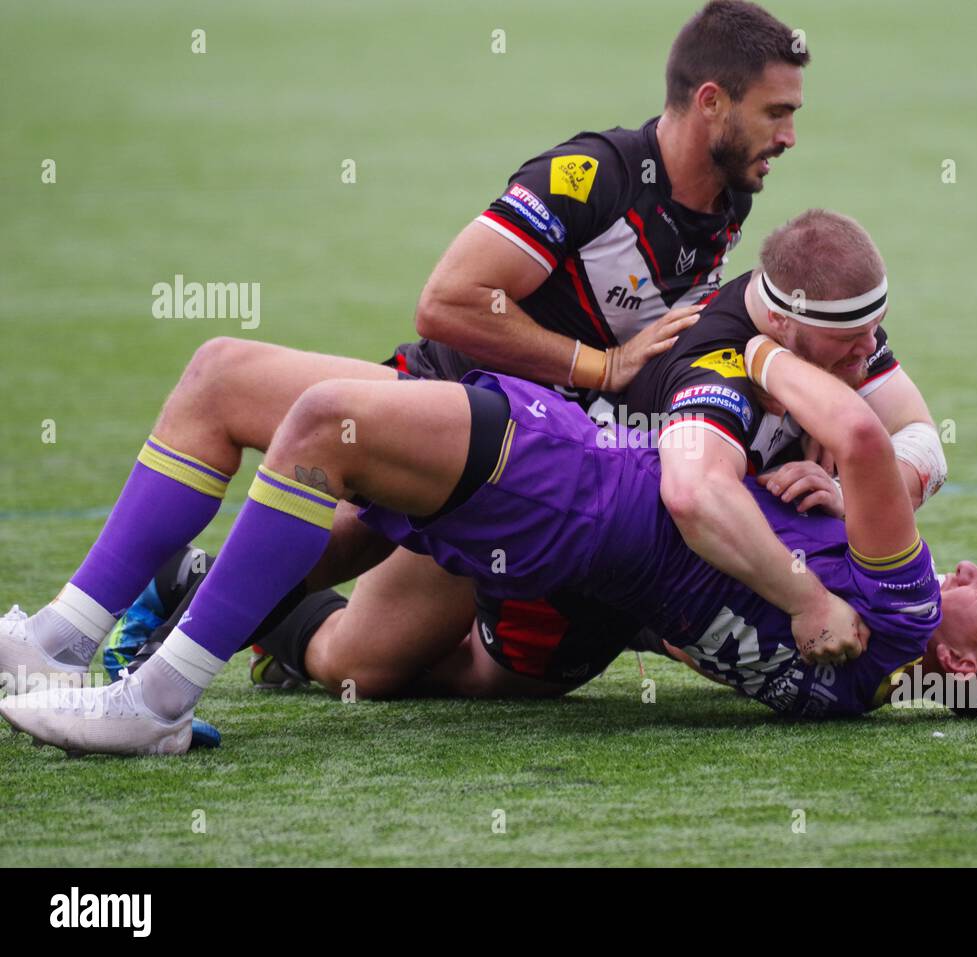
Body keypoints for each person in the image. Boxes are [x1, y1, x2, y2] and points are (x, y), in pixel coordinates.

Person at [1, 0, 833, 709]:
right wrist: (598, 369)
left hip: (541, 475)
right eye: (777, 113)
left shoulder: (725, 201)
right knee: (224, 379)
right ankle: (66, 641)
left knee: (356, 663)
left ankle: (193, 591)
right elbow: (448, 300)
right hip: (461, 407)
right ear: (713, 102)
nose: (791, 135)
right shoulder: (591, 176)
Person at [0, 327, 977, 754]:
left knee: (323, 430)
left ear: (964, 659)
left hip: (579, 483)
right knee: (224, 374)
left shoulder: (901, 616)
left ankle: (156, 702)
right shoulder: (846, 687)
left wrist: (757, 348)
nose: (973, 571)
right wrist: (811, 527)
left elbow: (859, 438)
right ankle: (60, 637)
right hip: (577, 512)